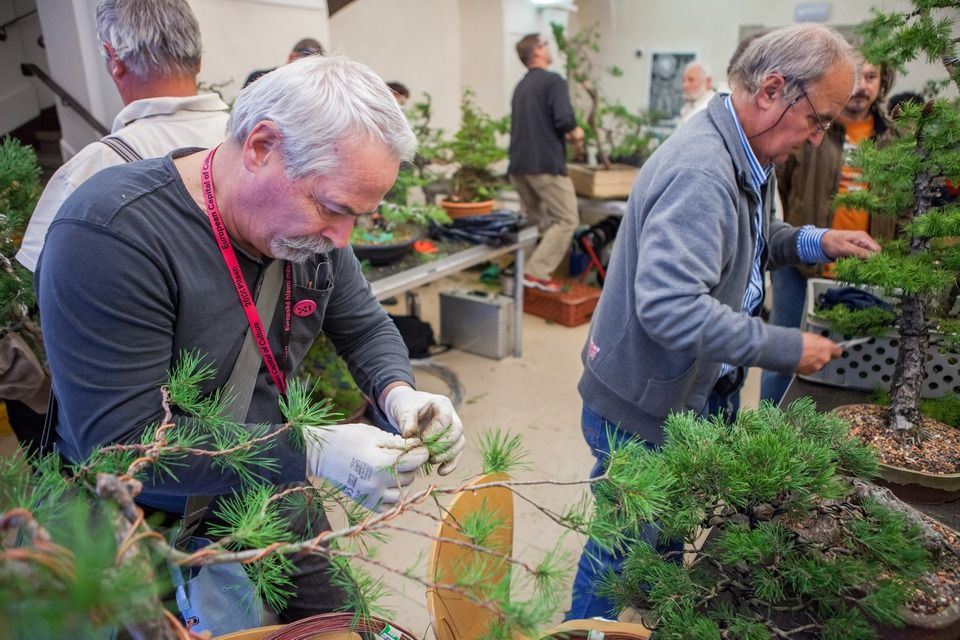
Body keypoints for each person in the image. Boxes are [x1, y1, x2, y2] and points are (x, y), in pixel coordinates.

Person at [36, 54, 466, 622]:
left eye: (360, 215)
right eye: (334, 207)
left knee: (342, 625)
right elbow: (122, 447)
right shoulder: (111, 234)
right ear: (261, 146)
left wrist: (399, 395)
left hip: (267, 482)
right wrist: (312, 450)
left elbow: (362, 325)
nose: (342, 238)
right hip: (139, 526)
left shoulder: (314, 237)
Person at [569, 24, 882, 620]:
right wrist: (784, 346)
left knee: (662, 538)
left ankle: (653, 624)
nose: (817, 140)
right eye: (817, 120)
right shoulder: (704, 173)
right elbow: (670, 308)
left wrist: (816, 241)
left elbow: (750, 244)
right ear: (771, 90)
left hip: (691, 390)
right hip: (645, 404)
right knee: (621, 552)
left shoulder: (746, 148)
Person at [16, 0, 230, 272]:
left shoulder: (90, 170)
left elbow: (43, 286)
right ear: (199, 59)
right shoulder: (253, 145)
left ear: (113, 58)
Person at [761, 58, 898, 405]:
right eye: (855, 76)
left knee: (848, 360)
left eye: (871, 77)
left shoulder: (895, 140)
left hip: (865, 268)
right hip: (800, 265)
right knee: (782, 352)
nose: (861, 86)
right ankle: (765, 428)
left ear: (883, 82)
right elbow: (785, 181)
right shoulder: (813, 130)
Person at [508, 33, 584, 293]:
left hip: (519, 166)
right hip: (545, 165)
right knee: (567, 219)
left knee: (533, 220)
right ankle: (535, 273)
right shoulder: (553, 81)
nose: (549, 49)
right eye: (546, 45)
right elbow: (564, 120)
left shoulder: (520, 87)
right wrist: (578, 134)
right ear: (538, 51)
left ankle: (519, 272)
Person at [243, 37, 325, 87]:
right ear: (292, 57)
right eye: (306, 63)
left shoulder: (312, 88)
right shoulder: (257, 78)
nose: (310, 70)